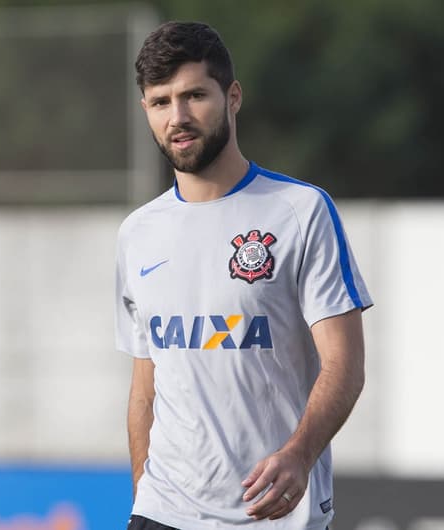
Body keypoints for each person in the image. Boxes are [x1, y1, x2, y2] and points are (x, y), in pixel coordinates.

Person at [116, 21, 372, 530]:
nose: (179, 117)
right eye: (161, 101)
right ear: (146, 109)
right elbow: (146, 385)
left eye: (194, 96)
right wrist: (144, 494)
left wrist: (299, 455)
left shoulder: (299, 211)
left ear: (232, 97)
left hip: (271, 514)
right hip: (162, 513)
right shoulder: (137, 233)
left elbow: (344, 364)